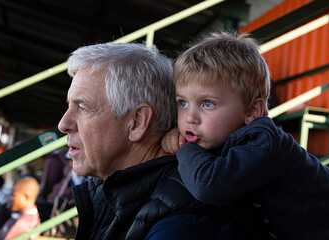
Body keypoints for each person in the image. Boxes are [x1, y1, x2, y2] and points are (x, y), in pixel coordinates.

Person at [57, 42, 269, 239]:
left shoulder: (187, 223)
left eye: (83, 107)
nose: (63, 124)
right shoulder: (111, 194)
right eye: (69, 106)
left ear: (138, 122)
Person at [161, 31, 329, 240]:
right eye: (183, 103)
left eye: (208, 104)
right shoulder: (221, 134)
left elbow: (209, 186)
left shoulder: (263, 141)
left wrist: (185, 148)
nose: (190, 118)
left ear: (252, 111)